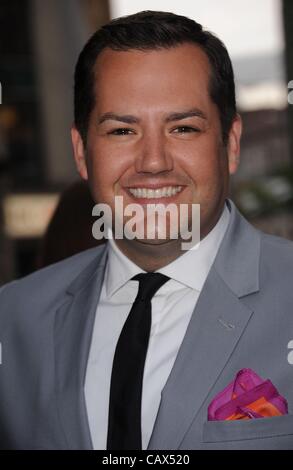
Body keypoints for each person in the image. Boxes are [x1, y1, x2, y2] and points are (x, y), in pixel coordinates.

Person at [0, 10, 293, 451]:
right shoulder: (13, 318)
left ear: (230, 145)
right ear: (81, 152)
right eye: (122, 130)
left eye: (183, 128)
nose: (153, 161)